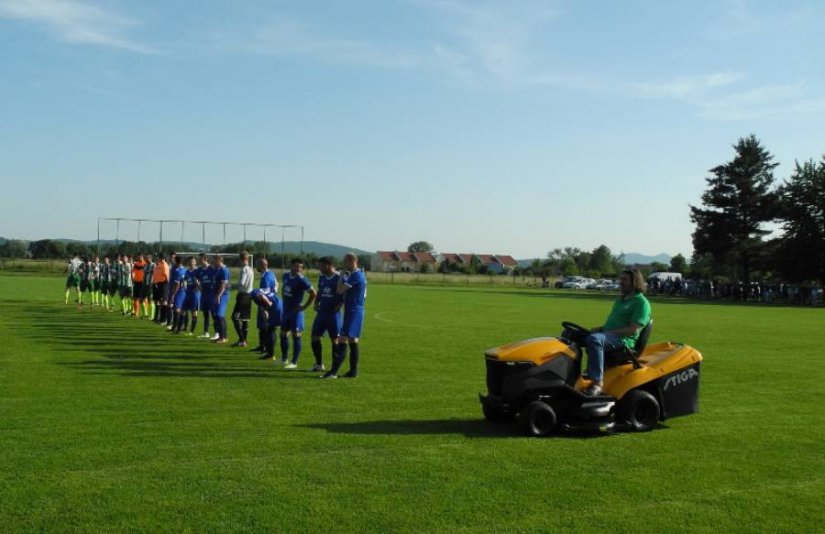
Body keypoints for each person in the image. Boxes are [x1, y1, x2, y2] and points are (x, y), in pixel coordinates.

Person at [582, 269, 652, 396]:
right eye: (621, 279)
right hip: (610, 336)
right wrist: (600, 329)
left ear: (634, 282)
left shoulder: (641, 303)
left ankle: (597, 383)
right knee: (573, 335)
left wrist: (605, 334)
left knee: (595, 340)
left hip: (624, 341)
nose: (621, 282)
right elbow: (614, 323)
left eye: (625, 280)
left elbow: (633, 329)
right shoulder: (621, 300)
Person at [323, 253, 366, 379]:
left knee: (342, 339)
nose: (343, 265)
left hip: (354, 311)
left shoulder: (356, 275)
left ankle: (333, 372)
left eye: (345, 262)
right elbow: (340, 289)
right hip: (353, 310)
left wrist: (341, 276)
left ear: (352, 261)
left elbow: (339, 290)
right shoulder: (356, 274)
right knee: (353, 340)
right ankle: (353, 372)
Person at [279, 258, 317, 369]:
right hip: (286, 310)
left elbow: (313, 293)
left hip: (296, 312)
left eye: (300, 267)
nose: (298, 269)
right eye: (296, 266)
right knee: (283, 334)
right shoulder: (286, 276)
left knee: (296, 335)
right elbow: (283, 289)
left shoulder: (302, 280)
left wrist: (304, 306)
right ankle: (284, 359)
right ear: (291, 266)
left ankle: (294, 362)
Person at [311, 257, 343, 373]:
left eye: (320, 266)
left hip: (333, 315)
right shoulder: (322, 277)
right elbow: (320, 290)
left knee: (335, 340)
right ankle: (319, 364)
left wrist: (340, 305)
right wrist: (316, 301)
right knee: (314, 336)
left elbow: (344, 293)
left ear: (328, 265)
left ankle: (334, 368)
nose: (319, 268)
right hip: (321, 313)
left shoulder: (339, 277)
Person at [251, 258, 278, 353]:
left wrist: (265, 308)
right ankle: (262, 346)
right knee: (262, 326)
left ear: (262, 265)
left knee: (267, 326)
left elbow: (266, 292)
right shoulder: (269, 274)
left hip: (267, 303)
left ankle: (268, 348)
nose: (256, 267)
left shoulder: (267, 277)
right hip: (267, 302)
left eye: (257, 265)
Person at [251, 287, 282, 360]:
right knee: (271, 329)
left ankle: (270, 354)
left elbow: (261, 296)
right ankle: (270, 352)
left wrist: (268, 303)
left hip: (275, 306)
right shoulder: (261, 289)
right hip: (280, 303)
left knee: (270, 330)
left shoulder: (253, 294)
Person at [231, 251, 254, 347]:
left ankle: (242, 340)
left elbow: (242, 283)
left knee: (234, 318)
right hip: (249, 296)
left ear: (240, 259)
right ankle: (244, 341)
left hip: (242, 296)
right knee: (245, 319)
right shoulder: (251, 269)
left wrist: (231, 285)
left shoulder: (244, 269)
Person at [212, 254, 231, 344]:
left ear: (219, 260)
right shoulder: (217, 269)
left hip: (223, 295)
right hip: (217, 294)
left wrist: (218, 296)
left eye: (214, 260)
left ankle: (223, 337)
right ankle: (223, 336)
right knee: (218, 316)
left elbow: (223, 285)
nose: (213, 262)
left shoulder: (224, 270)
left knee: (219, 315)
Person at [196, 254, 215, 339]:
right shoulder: (199, 270)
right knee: (205, 314)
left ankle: (217, 333)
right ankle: (206, 332)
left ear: (205, 259)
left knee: (214, 314)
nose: (199, 261)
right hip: (204, 294)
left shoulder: (212, 269)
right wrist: (199, 286)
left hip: (211, 294)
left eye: (200, 259)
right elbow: (195, 279)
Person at [182, 257, 202, 336]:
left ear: (195, 263)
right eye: (190, 262)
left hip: (195, 294)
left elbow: (200, 284)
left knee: (193, 312)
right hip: (187, 293)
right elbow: (185, 280)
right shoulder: (187, 271)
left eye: (193, 262)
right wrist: (184, 284)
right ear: (188, 263)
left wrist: (197, 283)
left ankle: (192, 331)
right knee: (183, 311)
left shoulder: (197, 271)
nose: (191, 263)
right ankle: (184, 327)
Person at [168, 255, 188, 332]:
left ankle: (175, 327)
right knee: (177, 309)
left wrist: (173, 294)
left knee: (177, 309)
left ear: (176, 261)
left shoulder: (178, 271)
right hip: (180, 290)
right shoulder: (181, 269)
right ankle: (178, 326)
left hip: (179, 291)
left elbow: (177, 284)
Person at [151, 254, 170, 324]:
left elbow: (167, 276)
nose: (157, 259)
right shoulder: (159, 265)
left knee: (164, 302)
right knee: (161, 302)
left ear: (162, 258)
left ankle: (164, 319)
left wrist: (166, 286)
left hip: (164, 284)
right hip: (159, 284)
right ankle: (160, 318)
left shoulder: (165, 265)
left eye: (158, 258)